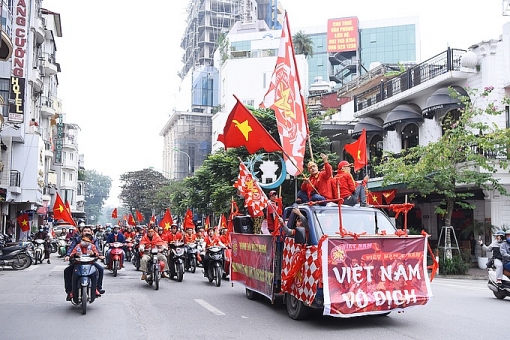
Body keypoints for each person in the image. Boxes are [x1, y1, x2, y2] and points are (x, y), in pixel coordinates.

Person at [64, 226, 105, 300]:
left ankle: (98, 288)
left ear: (91, 232)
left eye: (88, 231)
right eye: (85, 231)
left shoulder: (94, 241)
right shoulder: (77, 241)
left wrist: (99, 255)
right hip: (78, 262)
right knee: (67, 271)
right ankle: (69, 290)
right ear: (81, 233)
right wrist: (68, 255)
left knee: (100, 269)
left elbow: (97, 249)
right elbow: (71, 249)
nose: (86, 232)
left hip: (90, 262)